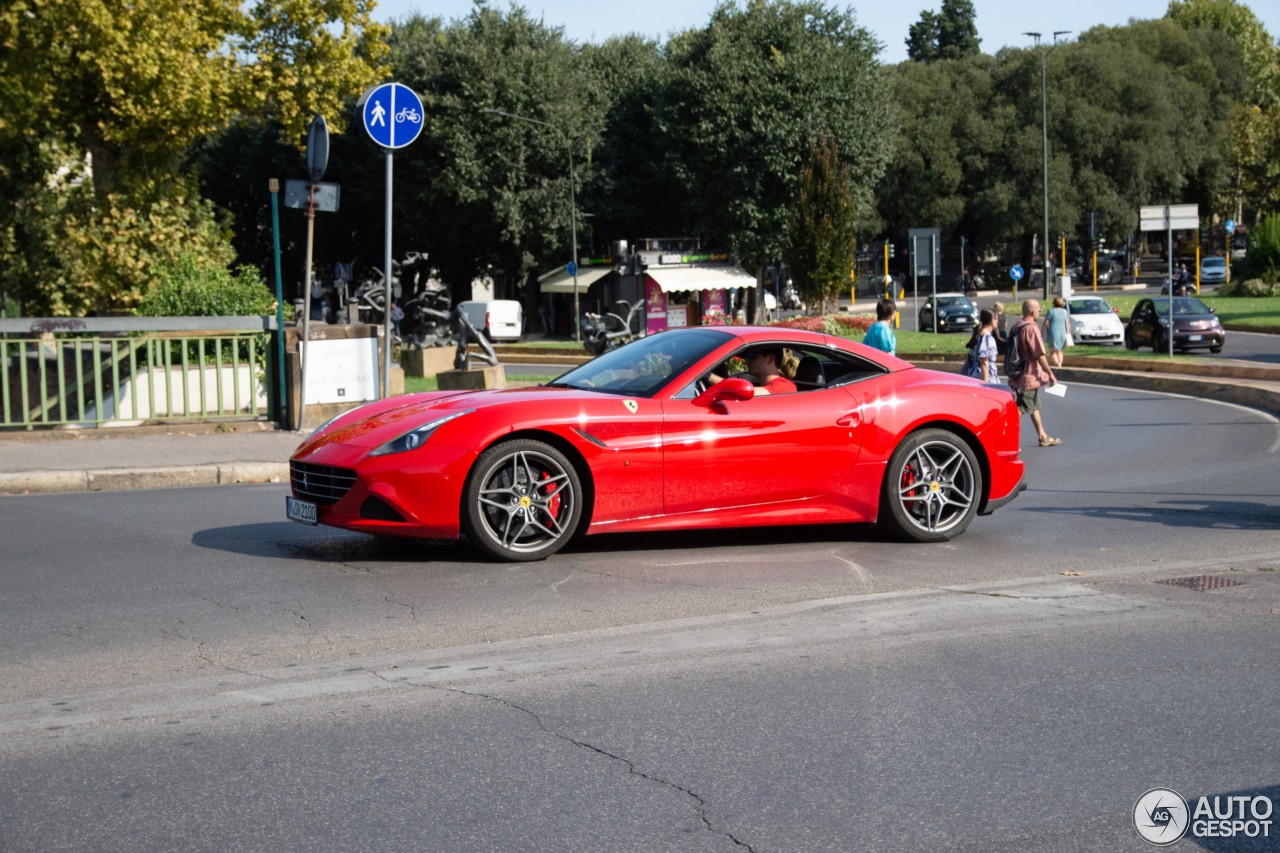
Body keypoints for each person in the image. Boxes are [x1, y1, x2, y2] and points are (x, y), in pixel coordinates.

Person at [1009, 299, 1060, 447]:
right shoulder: (1031, 328)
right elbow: (1039, 354)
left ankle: (1043, 436)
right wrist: (1050, 373)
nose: (1039, 313)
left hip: (1018, 373)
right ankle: (1005, 438)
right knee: (1021, 409)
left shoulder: (1017, 327)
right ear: (1033, 312)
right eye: (1039, 310)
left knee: (1033, 406)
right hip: (1029, 375)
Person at [708, 346, 796, 395]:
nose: (747, 359)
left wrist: (708, 376)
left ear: (770, 359)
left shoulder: (784, 386)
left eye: (752, 355)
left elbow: (742, 391)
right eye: (747, 356)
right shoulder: (760, 384)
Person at [965, 308, 1000, 383]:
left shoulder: (978, 336)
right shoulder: (987, 339)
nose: (998, 321)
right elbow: (984, 361)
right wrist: (986, 382)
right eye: (996, 319)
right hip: (985, 378)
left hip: (973, 376)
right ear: (992, 320)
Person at [1041, 295, 1070, 368]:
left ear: (1054, 303)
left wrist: (1042, 333)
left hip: (1054, 333)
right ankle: (1060, 364)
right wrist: (1068, 333)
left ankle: (1057, 364)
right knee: (1059, 350)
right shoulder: (1064, 312)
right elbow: (1067, 323)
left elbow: (1045, 323)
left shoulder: (1051, 311)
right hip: (1063, 333)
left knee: (1052, 351)